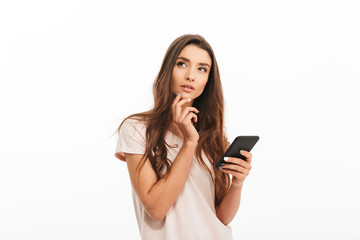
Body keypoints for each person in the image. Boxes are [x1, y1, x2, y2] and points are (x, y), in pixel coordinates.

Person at [114, 34, 253, 240]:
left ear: (208, 80)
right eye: (182, 64)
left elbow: (220, 218)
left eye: (202, 69)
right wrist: (189, 142)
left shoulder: (213, 138)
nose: (191, 76)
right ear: (168, 69)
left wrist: (238, 183)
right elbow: (156, 208)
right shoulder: (136, 129)